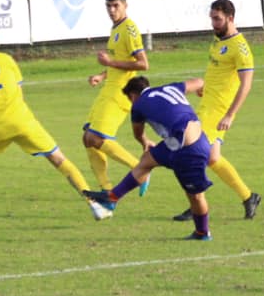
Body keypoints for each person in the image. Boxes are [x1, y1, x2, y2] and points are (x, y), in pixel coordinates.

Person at [0, 26, 113, 229]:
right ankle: (94, 205)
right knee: (59, 159)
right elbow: (19, 92)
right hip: (22, 120)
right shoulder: (6, 60)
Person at [85, 75, 215, 241]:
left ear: (132, 95)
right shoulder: (171, 87)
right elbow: (199, 81)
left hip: (189, 150)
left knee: (195, 196)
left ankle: (203, 233)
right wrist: (201, 89)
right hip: (180, 142)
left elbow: (138, 133)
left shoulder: (138, 105)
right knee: (146, 161)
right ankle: (111, 199)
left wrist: (145, 141)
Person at [173, 0, 261, 222]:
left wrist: (230, 115)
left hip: (218, 111)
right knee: (212, 157)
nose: (213, 23)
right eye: (212, 18)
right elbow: (216, 71)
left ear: (230, 18)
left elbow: (246, 84)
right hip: (207, 104)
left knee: (193, 153)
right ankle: (248, 196)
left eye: (218, 19)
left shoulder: (240, 48)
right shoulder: (217, 39)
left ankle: (196, 206)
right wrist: (204, 87)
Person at [82, 0, 151, 198]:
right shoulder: (116, 29)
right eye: (109, 6)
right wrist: (103, 74)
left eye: (116, 6)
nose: (112, 10)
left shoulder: (129, 29)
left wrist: (110, 62)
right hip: (109, 88)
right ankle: (106, 188)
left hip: (121, 93)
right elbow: (121, 62)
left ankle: (141, 170)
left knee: (96, 137)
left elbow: (142, 64)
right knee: (87, 137)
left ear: (125, 5)